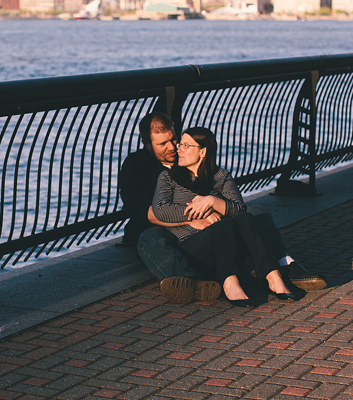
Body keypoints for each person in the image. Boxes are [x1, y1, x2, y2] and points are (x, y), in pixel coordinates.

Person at [119, 112, 325, 304]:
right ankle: (189, 280)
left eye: (174, 139)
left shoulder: (186, 156)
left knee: (254, 212)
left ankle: (284, 265)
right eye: (163, 143)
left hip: (208, 229)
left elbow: (218, 190)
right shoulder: (136, 165)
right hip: (161, 228)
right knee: (151, 237)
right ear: (146, 143)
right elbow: (144, 212)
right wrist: (192, 219)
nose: (173, 147)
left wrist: (214, 208)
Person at [152, 126, 295, 306]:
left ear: (202, 151)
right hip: (194, 247)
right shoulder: (168, 177)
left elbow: (239, 209)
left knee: (244, 218)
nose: (178, 149)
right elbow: (161, 209)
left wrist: (212, 202)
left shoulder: (221, 176)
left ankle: (272, 276)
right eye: (180, 144)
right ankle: (230, 283)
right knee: (224, 225)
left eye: (186, 145)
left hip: (229, 247)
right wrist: (199, 216)